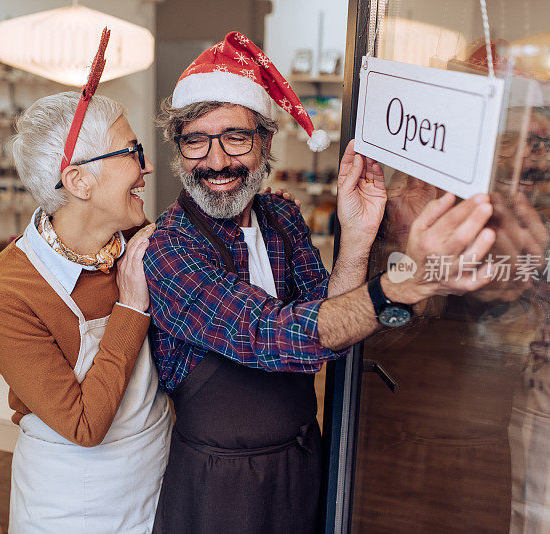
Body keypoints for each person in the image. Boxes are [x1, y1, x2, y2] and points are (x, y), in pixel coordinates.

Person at [144, 31, 498, 533]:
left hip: (303, 460)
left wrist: (355, 237)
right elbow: (269, 335)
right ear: (180, 150)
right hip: (219, 486)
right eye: (195, 141)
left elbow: (331, 328)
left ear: (266, 142)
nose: (216, 161)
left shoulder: (281, 216)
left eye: (235, 138)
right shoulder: (170, 249)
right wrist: (396, 287)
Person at [0, 31, 171, 533]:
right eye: (131, 152)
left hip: (156, 475)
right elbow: (84, 426)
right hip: (70, 500)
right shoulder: (6, 292)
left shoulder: (139, 239)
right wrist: (130, 309)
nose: (147, 166)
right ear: (78, 181)